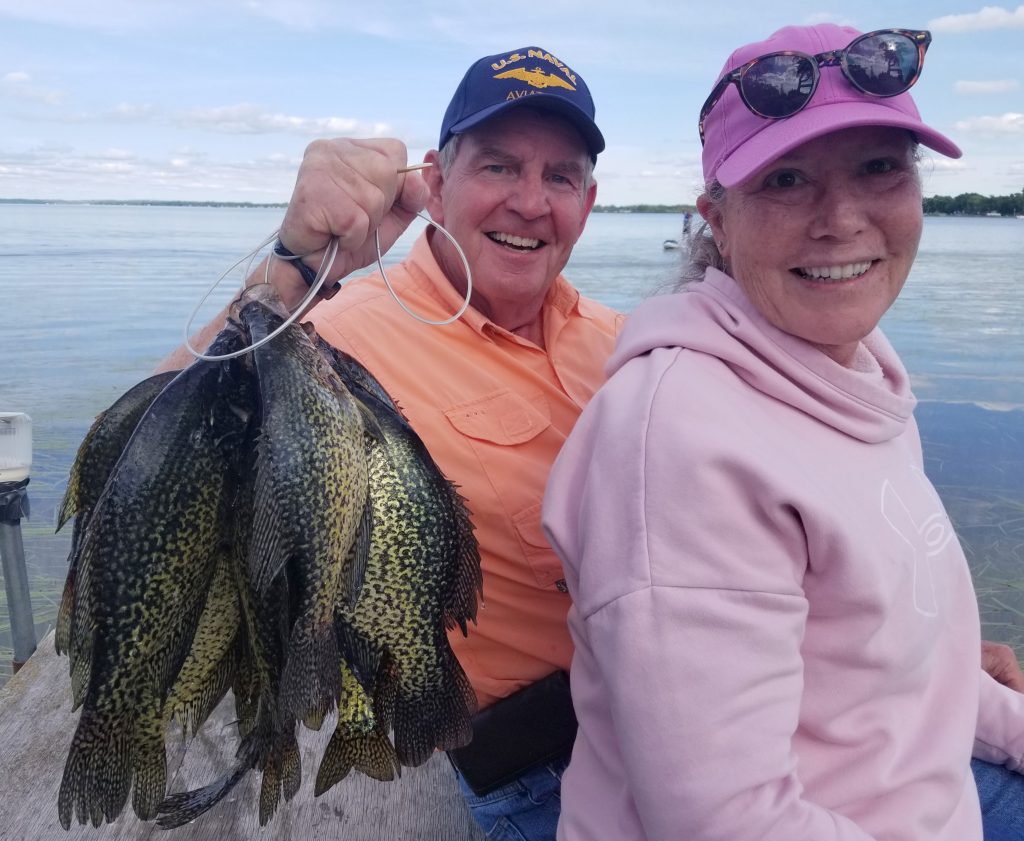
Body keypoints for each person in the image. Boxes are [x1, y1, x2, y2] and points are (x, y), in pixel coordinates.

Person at [542, 23, 1024, 841]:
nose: (842, 219)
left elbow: (906, 665)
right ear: (718, 223)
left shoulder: (847, 370)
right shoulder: (686, 439)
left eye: (879, 166)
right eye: (787, 179)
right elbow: (722, 821)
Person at [159, 46, 622, 840]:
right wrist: (298, 267)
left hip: (665, 733)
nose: (531, 202)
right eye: (500, 167)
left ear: (589, 200)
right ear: (436, 182)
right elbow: (156, 456)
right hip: (531, 772)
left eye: (561, 177)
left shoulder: (624, 341)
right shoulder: (340, 333)